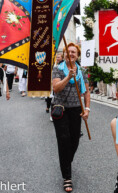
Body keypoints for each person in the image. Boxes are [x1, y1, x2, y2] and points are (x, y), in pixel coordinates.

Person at [51, 43, 90, 192]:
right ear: (65, 55)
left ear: (77, 55)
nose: (71, 54)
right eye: (68, 52)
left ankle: (66, 161)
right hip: (60, 109)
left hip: (76, 110)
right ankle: (67, 176)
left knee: (74, 140)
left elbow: (86, 92)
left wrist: (87, 109)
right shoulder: (58, 69)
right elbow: (56, 88)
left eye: (74, 52)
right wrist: (68, 76)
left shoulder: (83, 71)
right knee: (64, 140)